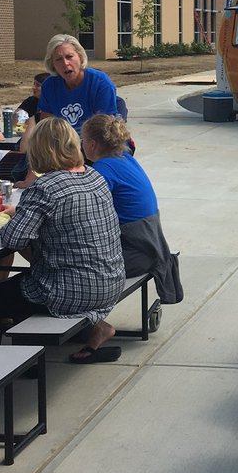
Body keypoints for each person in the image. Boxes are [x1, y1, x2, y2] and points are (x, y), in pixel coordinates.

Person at [0, 118, 125, 362]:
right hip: (110, 282)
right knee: (19, 290)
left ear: (39, 150)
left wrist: (14, 217)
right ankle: (28, 363)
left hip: (72, 291)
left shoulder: (46, 187)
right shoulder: (94, 176)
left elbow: (14, 239)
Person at [80, 113, 182, 321]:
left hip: (137, 253)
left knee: (75, 271)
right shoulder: (124, 157)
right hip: (149, 245)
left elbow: (86, 212)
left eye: (82, 141)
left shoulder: (102, 170)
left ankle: (92, 326)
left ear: (91, 145)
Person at [33, 34, 118, 135]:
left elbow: (106, 130)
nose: (65, 63)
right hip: (63, 144)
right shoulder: (49, 86)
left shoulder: (101, 83)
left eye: (69, 57)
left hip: (98, 142)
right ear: (53, 65)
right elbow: (47, 127)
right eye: (58, 59)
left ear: (80, 57)